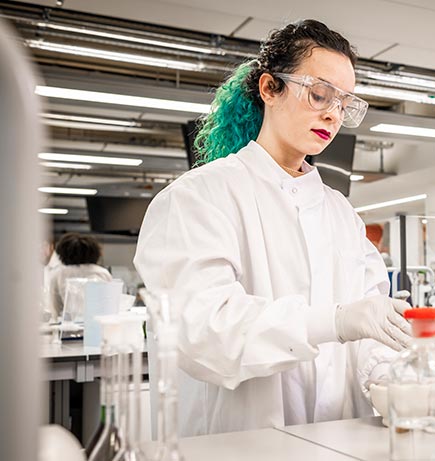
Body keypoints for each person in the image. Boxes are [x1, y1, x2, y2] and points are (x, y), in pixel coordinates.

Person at [134, 20, 412, 436]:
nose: (333, 113)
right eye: (320, 94)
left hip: (338, 438)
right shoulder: (198, 197)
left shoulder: (341, 214)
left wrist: (396, 381)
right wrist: (332, 322)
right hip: (237, 442)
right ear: (269, 88)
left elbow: (370, 332)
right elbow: (202, 330)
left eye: (345, 103)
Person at [48, 233, 112, 320]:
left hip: (68, 328)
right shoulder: (103, 273)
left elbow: (55, 308)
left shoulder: (58, 274)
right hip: (99, 326)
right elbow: (110, 305)